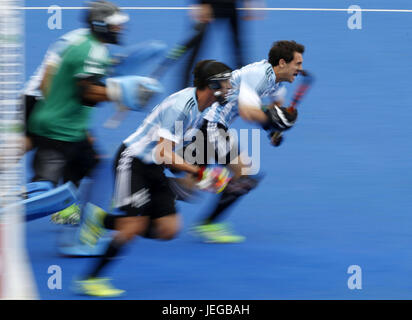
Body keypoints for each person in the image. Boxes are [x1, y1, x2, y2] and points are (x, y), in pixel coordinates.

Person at [73, 60, 233, 297]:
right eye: (225, 82)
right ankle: (91, 279)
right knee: (132, 226)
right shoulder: (181, 106)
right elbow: (163, 152)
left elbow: (174, 150)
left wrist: (196, 173)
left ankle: (101, 220)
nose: (229, 86)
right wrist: (197, 172)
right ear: (212, 85)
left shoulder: (203, 108)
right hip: (133, 161)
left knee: (168, 229)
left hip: (155, 166)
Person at [26, 1, 160, 224]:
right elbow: (87, 92)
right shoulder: (92, 51)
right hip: (57, 130)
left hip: (69, 127)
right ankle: (13, 202)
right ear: (100, 25)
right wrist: (122, 92)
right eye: (116, 25)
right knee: (44, 190)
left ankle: (68, 211)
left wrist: (122, 87)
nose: (121, 28)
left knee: (94, 166)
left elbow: (91, 83)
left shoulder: (90, 45)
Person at [176, 40, 305, 243]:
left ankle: (139, 190)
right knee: (243, 173)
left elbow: (275, 105)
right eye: (297, 64)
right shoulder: (258, 76)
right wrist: (275, 120)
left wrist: (274, 129)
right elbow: (247, 112)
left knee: (189, 185)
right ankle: (209, 224)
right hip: (210, 122)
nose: (300, 69)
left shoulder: (276, 81)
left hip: (209, 122)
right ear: (282, 63)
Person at [181, 0, 260, 88]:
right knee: (194, 52)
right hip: (209, 6)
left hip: (229, 5)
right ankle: (182, 89)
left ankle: (245, 90)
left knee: (238, 53)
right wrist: (201, 3)